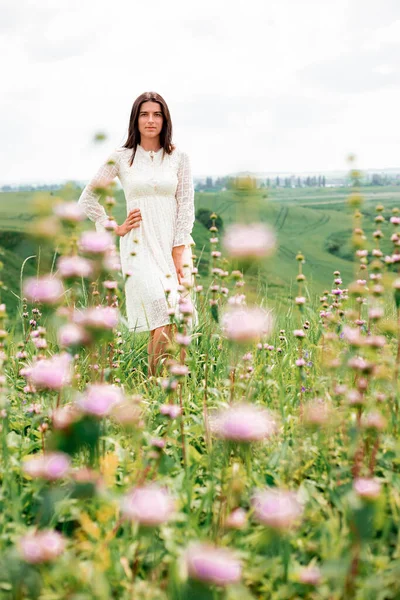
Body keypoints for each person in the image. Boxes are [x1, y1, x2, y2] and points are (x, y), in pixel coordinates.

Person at [77, 91, 198, 377]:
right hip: (138, 246)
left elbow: (186, 203)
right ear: (135, 119)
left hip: (173, 244)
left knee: (178, 315)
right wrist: (114, 227)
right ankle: (156, 382)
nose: (151, 120)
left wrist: (179, 249)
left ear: (165, 119)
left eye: (157, 114)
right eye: (144, 114)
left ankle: (172, 385)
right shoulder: (121, 157)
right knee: (161, 309)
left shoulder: (178, 157)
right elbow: (88, 199)